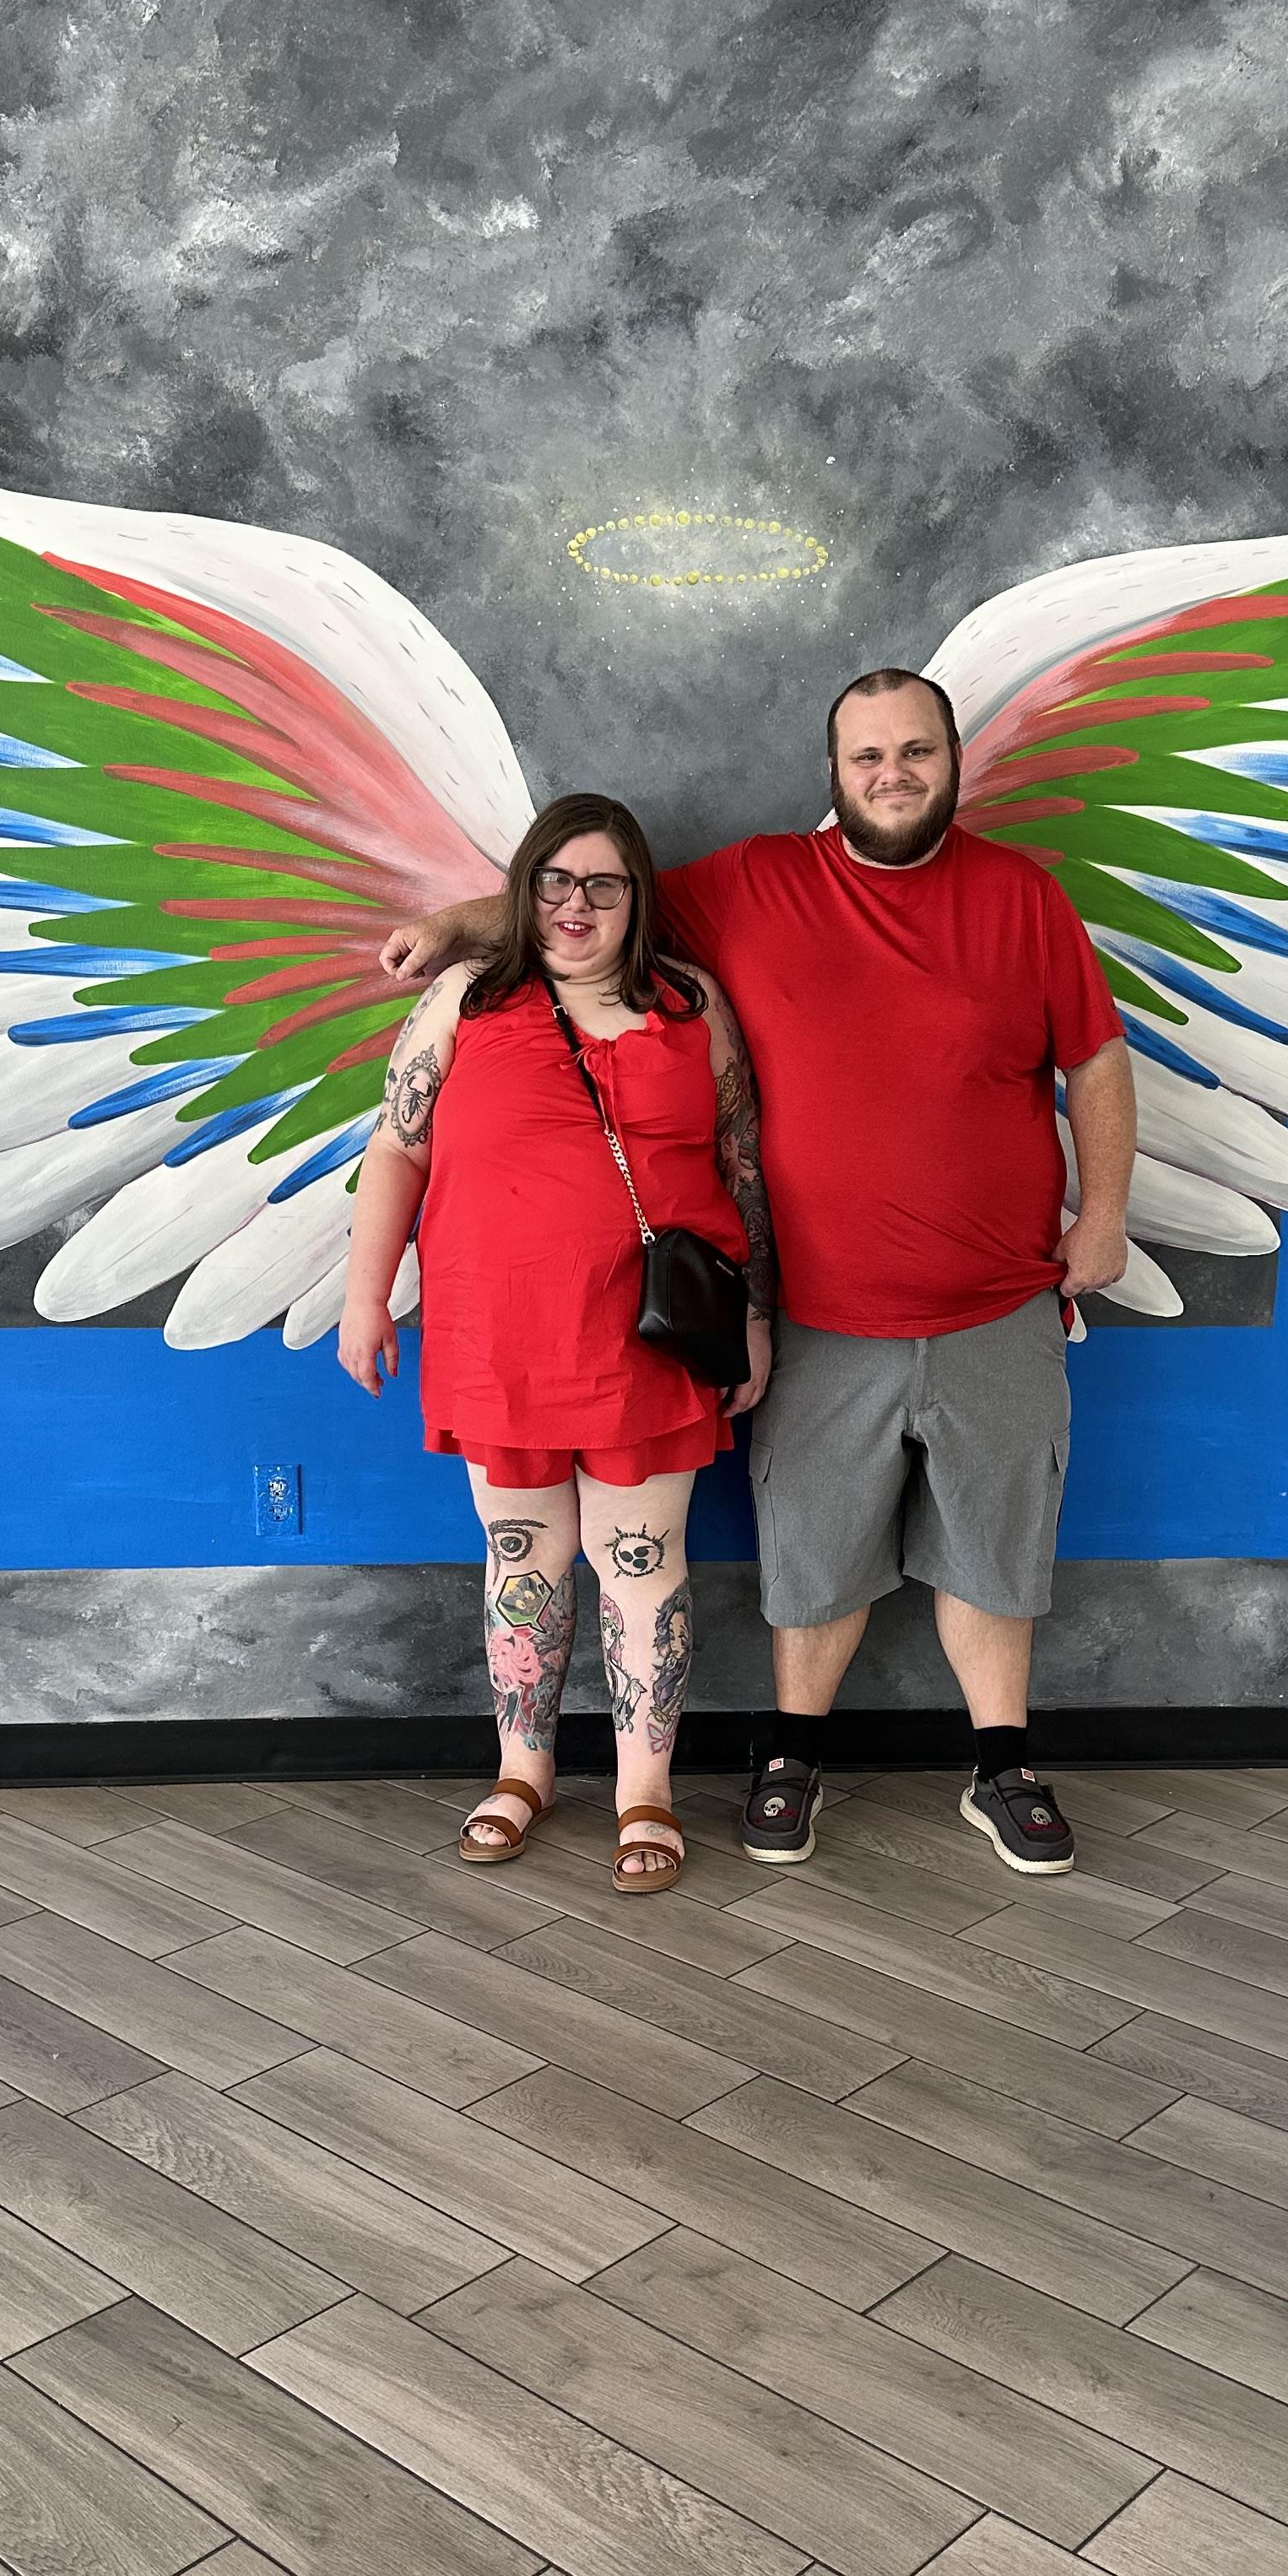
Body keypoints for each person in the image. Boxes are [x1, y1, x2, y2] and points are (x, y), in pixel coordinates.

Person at [384, 672, 1133, 1878]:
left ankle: (1004, 1768)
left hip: (1000, 1292)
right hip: (825, 1308)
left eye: (916, 751)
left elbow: (1095, 1058)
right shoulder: (757, 884)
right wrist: (467, 926)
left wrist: (1104, 1216)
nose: (893, 772)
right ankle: (792, 1757)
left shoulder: (1023, 897)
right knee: (814, 1550)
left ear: (955, 758)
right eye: (867, 755)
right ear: (832, 773)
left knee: (996, 1547)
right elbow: (582, 902)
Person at [338, 792, 774, 1892]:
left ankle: (644, 1792)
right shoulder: (462, 1002)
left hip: (653, 1345)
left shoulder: (693, 1006)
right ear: (525, 894)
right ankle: (522, 1770)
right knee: (523, 1561)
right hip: (498, 1341)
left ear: (638, 901)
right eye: (555, 883)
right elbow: (398, 1148)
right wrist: (364, 1295)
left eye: (604, 886)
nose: (577, 906)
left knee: (642, 1567)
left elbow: (742, 1165)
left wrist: (756, 1315)